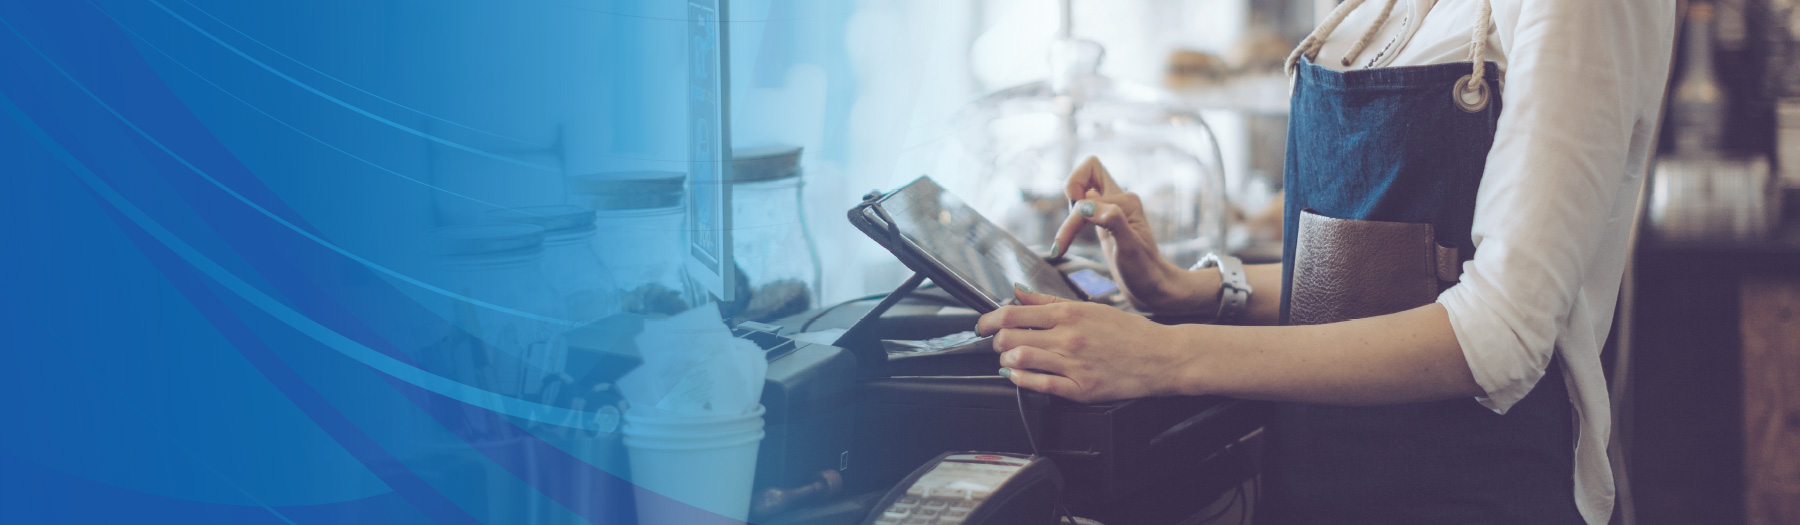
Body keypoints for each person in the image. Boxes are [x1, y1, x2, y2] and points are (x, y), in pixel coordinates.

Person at [975, 0, 1675, 522]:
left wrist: (1165, 356)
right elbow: (1392, 276)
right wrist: (1197, 291)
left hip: (1471, 492)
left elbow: (1499, 334)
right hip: (1317, 482)